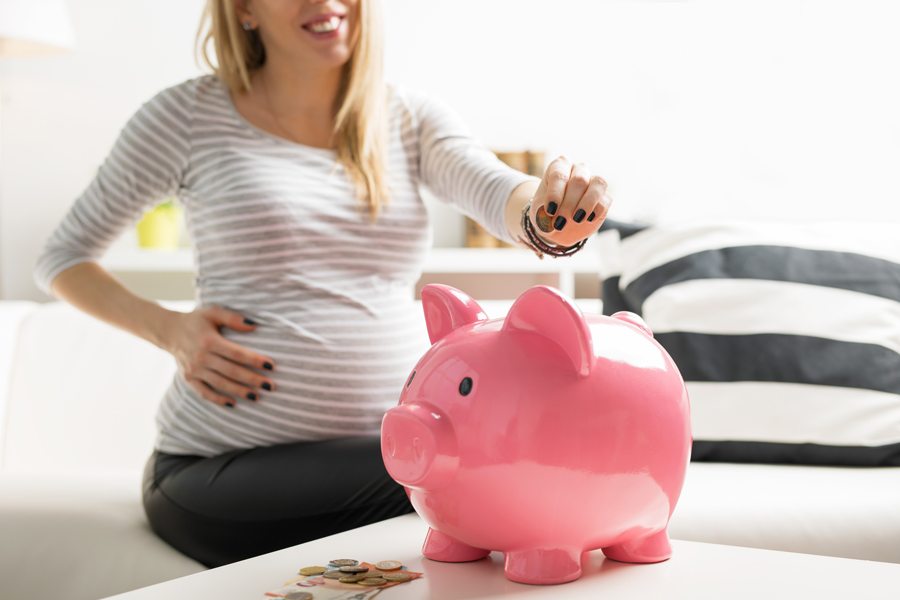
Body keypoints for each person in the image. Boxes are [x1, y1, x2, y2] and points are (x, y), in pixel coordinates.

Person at [32, 0, 612, 568]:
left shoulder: (409, 119)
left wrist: (548, 213)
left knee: (477, 475)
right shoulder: (186, 116)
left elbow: (499, 191)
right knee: (484, 472)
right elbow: (61, 257)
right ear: (244, 10)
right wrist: (171, 330)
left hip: (390, 449)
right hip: (219, 467)